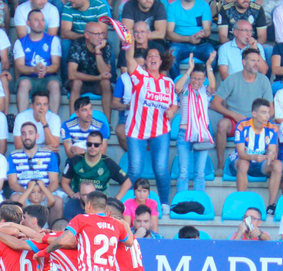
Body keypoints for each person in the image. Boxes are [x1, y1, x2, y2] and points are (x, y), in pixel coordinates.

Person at [123, 43, 177, 208]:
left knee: (161, 169)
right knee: (134, 169)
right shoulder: (139, 75)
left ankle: (164, 204)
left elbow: (174, 103)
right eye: (150, 56)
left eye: (156, 56)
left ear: (161, 61)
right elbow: (129, 58)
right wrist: (129, 42)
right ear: (145, 61)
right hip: (136, 129)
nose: (153, 58)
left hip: (160, 130)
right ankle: (127, 203)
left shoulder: (168, 83)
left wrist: (172, 111)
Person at [211, 48, 272, 173]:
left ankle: (268, 164)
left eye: (258, 61)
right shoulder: (232, 79)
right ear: (244, 62)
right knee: (222, 125)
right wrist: (234, 115)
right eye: (252, 60)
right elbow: (214, 104)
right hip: (235, 121)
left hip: (256, 122)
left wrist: (259, 120)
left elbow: (271, 108)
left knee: (274, 127)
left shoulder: (264, 80)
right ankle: (221, 165)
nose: (256, 63)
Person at [229, 98, 282, 214]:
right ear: (254, 114)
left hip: (260, 162)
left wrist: (271, 155)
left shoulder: (272, 127)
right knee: (243, 164)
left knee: (277, 164)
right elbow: (241, 153)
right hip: (240, 161)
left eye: (268, 112)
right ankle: (241, 204)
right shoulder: (242, 126)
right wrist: (253, 157)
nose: (267, 116)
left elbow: (273, 150)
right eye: (263, 113)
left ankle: (271, 205)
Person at [174, 53, 216, 193]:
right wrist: (188, 70)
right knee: (183, 172)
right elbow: (177, 88)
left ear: (204, 79)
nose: (196, 82)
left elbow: (213, 87)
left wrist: (209, 66)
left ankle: (199, 203)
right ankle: (180, 204)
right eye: (194, 78)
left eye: (199, 79)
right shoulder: (185, 88)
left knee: (199, 174)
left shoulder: (206, 91)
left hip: (202, 133)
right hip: (184, 133)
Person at [7, 122, 62, 218]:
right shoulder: (13, 155)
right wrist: (27, 193)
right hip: (23, 192)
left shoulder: (49, 154)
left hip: (44, 192)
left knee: (57, 201)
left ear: (37, 136)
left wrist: (44, 194)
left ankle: (55, 231)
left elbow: (54, 181)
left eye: (30, 133)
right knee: (14, 199)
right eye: (23, 134)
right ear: (20, 137)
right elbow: (12, 183)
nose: (27, 136)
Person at [13, 9, 62, 115]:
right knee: (23, 83)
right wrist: (33, 69)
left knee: (55, 84)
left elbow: (56, 64)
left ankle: (54, 120)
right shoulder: (20, 42)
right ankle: (22, 121)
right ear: (28, 23)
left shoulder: (53, 40)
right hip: (29, 77)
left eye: (42, 20)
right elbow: (20, 66)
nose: (41, 23)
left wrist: (47, 69)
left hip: (49, 77)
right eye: (36, 20)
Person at [166, 0, 214, 80]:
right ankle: (177, 85)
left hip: (201, 44)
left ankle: (206, 85)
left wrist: (202, 34)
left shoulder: (203, 5)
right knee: (171, 54)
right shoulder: (172, 7)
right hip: (180, 44)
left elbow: (208, 30)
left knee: (212, 53)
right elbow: (169, 34)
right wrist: (188, 39)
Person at [63, 131, 132, 199]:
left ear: (101, 146)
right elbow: (64, 182)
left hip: (99, 201)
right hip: (79, 199)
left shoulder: (108, 163)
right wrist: (72, 195)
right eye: (89, 144)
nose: (92, 147)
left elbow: (127, 182)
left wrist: (116, 199)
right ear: (86, 145)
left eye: (96, 145)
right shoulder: (76, 160)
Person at [67, 21, 112, 121]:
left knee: (106, 83)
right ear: (87, 35)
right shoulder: (77, 44)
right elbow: (71, 74)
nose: (100, 37)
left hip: (97, 84)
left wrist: (98, 51)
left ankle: (107, 123)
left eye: (102, 33)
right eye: (97, 34)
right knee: (76, 83)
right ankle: (72, 121)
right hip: (80, 82)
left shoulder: (105, 46)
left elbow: (105, 72)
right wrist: (97, 77)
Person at [60, 0, 110, 70]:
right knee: (65, 44)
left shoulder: (99, 6)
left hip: (96, 38)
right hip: (76, 41)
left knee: (108, 46)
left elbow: (103, 32)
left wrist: (91, 38)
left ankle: (111, 81)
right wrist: (86, 37)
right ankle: (66, 81)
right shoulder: (68, 7)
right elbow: (64, 33)